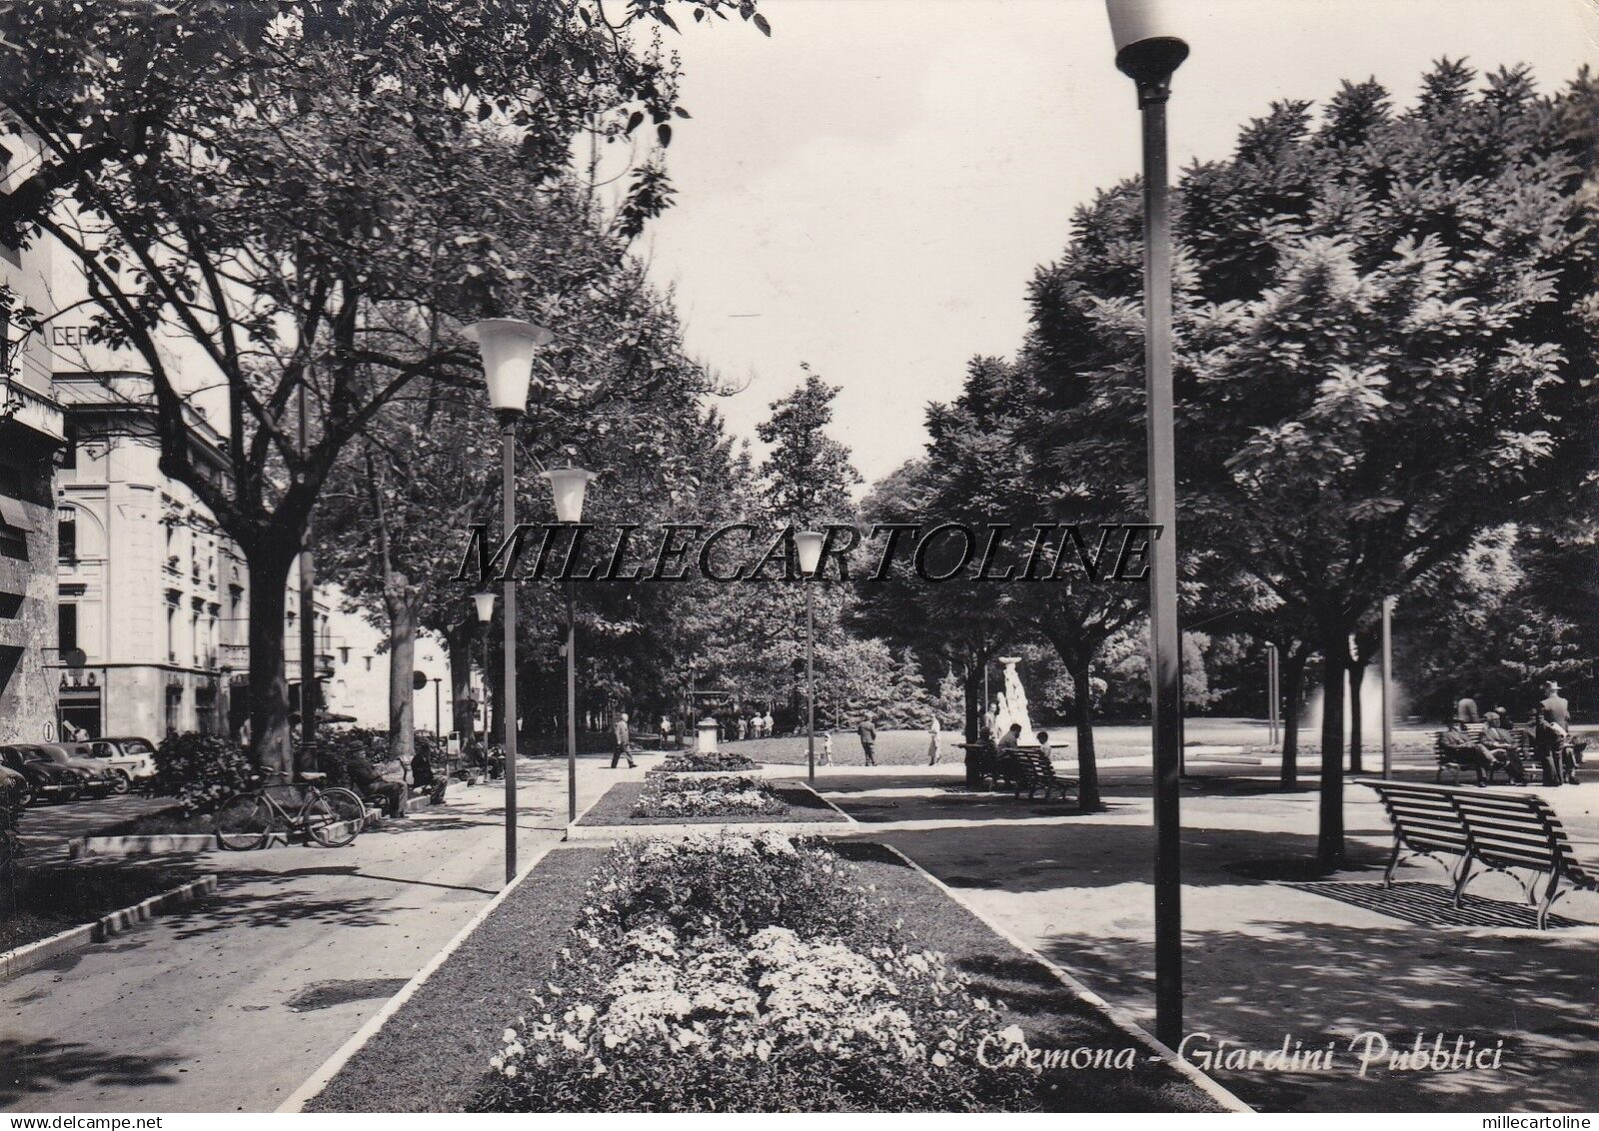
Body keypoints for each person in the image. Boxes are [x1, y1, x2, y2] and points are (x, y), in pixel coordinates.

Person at [345, 750, 407, 818]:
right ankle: (394, 812)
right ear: (354, 753)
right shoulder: (354, 764)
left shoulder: (361, 762)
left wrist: (377, 770)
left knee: (402, 784)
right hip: (369, 787)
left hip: (375, 784)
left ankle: (399, 811)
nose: (364, 752)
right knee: (394, 786)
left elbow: (371, 773)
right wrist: (379, 772)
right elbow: (367, 777)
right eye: (360, 751)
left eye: (363, 750)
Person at [1439, 719, 1495, 787]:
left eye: (1458, 724)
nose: (1457, 726)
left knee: (1479, 759)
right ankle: (1492, 760)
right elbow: (1445, 745)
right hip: (1457, 755)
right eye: (1455, 724)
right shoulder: (1445, 734)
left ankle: (1482, 781)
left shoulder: (1463, 734)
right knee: (1479, 748)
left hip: (1469, 754)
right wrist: (1460, 746)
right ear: (1449, 725)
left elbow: (1470, 743)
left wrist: (1468, 744)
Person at [1480, 710, 1526, 785]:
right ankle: (1521, 776)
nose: (1498, 721)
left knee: (1512, 753)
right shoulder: (1485, 732)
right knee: (1509, 754)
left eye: (1499, 719)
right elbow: (1484, 742)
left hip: (1508, 750)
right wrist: (1496, 744)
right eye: (1495, 720)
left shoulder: (1503, 731)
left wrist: (1512, 746)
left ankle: (1520, 776)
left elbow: (1513, 742)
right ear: (1490, 721)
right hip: (1495, 752)